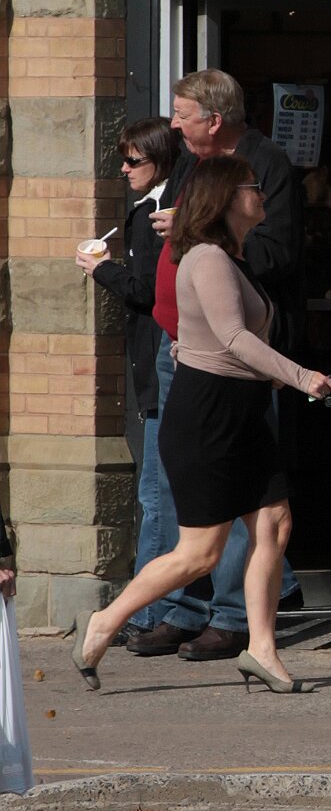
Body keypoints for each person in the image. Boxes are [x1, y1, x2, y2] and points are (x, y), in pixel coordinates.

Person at [77, 157, 331, 696]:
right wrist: (301, 376)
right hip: (209, 417)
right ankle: (106, 620)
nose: (262, 193)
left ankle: (261, 648)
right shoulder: (209, 257)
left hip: (242, 410)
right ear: (225, 197)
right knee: (200, 552)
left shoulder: (233, 256)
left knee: (274, 523)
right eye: (252, 186)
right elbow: (234, 338)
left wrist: (270, 377)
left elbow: (213, 341)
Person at [145, 70, 305, 662]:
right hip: (180, 346)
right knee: (182, 484)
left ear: (214, 120)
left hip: (234, 360)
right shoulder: (191, 163)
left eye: (182, 114)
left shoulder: (264, 166)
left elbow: (278, 252)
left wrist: (203, 237)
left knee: (241, 491)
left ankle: (233, 616)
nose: (174, 125)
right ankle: (182, 609)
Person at [81, 118, 178, 653]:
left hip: (162, 365)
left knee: (157, 496)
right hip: (156, 365)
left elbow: (146, 290)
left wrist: (102, 270)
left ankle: (149, 613)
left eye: (133, 160)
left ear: (160, 161)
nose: (124, 169)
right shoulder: (149, 210)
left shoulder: (157, 216)